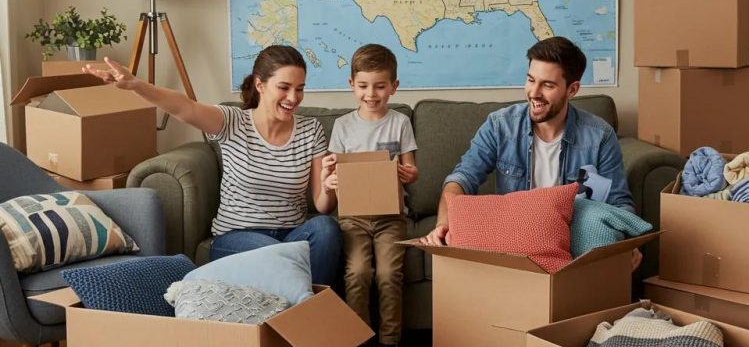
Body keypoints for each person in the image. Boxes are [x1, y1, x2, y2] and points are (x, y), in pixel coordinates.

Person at [83, 46, 342, 285]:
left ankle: (313, 309)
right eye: (284, 87)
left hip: (291, 234)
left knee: (326, 227)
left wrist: (329, 187)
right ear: (260, 85)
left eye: (300, 88)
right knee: (276, 254)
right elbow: (184, 107)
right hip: (238, 236)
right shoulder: (232, 121)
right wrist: (136, 85)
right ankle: (305, 311)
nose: (293, 97)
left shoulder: (311, 129)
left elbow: (322, 206)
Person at [419, 36, 642, 270]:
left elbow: (617, 200)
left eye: (547, 85)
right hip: (516, 233)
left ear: (572, 89)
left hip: (571, 232)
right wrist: (444, 222)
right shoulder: (500, 125)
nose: (534, 93)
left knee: (599, 241)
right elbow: (462, 179)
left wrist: (626, 241)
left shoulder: (600, 135)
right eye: (530, 80)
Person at [323, 44, 418, 347]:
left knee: (389, 274)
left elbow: (411, 170)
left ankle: (390, 340)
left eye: (380, 86)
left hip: (391, 217)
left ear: (394, 87)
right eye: (363, 86)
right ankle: (360, 339)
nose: (371, 94)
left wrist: (409, 175)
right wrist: (332, 177)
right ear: (352, 85)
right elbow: (334, 174)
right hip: (353, 218)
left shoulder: (400, 122)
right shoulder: (343, 125)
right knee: (358, 273)